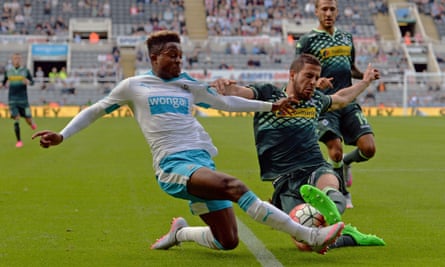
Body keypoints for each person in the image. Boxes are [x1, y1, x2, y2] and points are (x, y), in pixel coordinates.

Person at [31, 30, 344, 254]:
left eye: (180, 55)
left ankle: (180, 232)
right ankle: (310, 236)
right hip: (173, 166)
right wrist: (62, 134)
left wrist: (271, 106)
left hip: (201, 162)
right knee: (234, 186)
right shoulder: (134, 86)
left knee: (228, 240)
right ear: (154, 58)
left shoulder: (187, 84)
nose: (179, 60)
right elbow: (96, 110)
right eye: (172, 55)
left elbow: (225, 103)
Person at [214, 53, 385, 250]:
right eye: (308, 76)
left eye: (316, 77)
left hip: (314, 166)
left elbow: (341, 98)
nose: (313, 82)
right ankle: (349, 236)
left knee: (330, 188)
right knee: (304, 244)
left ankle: (331, 207)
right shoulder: (268, 94)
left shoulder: (316, 101)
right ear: (292, 74)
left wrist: (365, 82)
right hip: (283, 179)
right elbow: (238, 91)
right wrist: (225, 86)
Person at [295, 0, 380, 208]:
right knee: (335, 148)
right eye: (324, 9)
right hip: (324, 103)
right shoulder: (308, 41)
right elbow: (298, 75)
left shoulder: (346, 37)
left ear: (337, 11)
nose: (328, 13)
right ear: (316, 12)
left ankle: (347, 164)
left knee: (369, 148)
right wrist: (316, 83)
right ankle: (342, 191)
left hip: (348, 101)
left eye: (332, 9)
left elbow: (349, 68)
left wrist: (365, 75)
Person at [1, 53, 37, 148]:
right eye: (15, 59)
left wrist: (28, 82)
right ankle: (19, 141)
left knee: (28, 119)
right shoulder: (8, 72)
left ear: (20, 60)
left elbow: (32, 82)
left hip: (23, 100)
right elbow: (3, 82)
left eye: (18, 59)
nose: (16, 60)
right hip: (12, 100)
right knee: (16, 119)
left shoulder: (25, 71)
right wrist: (2, 85)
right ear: (12, 60)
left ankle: (31, 123)